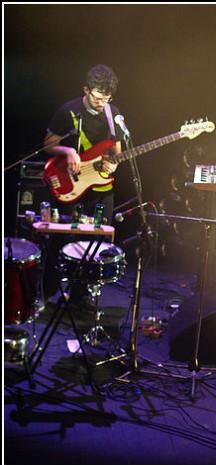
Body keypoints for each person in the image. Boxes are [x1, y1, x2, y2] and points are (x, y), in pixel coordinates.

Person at [40, 64, 127, 310]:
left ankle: (79, 297)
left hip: (101, 188)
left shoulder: (114, 114)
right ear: (86, 90)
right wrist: (67, 151)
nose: (101, 104)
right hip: (73, 183)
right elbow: (48, 144)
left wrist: (114, 166)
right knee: (61, 239)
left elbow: (116, 151)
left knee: (95, 243)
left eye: (106, 99)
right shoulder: (69, 111)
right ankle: (46, 293)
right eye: (98, 98)